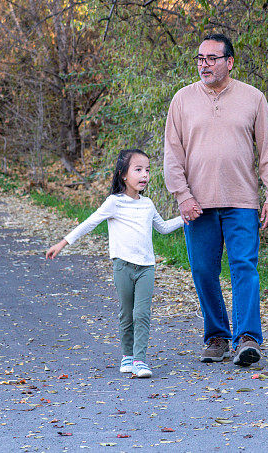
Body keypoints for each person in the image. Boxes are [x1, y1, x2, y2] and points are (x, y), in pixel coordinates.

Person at [164, 33, 268, 367]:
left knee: (244, 267)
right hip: (197, 204)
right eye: (200, 58)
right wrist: (182, 195)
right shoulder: (182, 100)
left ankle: (247, 338)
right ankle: (216, 337)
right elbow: (172, 154)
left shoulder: (253, 98)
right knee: (203, 270)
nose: (205, 64)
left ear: (229, 62)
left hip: (242, 200)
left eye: (212, 58)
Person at [46, 149, 184, 378]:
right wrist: (63, 243)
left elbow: (163, 228)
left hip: (146, 268)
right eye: (138, 170)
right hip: (122, 267)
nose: (144, 175)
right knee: (126, 313)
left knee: (142, 314)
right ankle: (127, 356)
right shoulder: (114, 203)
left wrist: (186, 218)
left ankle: (140, 360)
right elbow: (89, 223)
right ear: (123, 175)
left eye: (147, 170)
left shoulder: (147, 204)